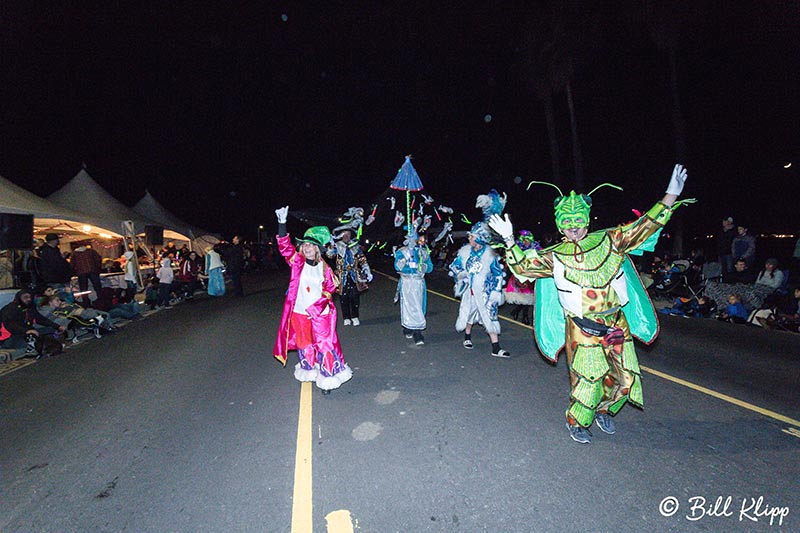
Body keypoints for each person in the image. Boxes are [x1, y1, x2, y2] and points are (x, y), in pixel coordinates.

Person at [489, 164, 692, 444]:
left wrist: (669, 195)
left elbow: (642, 227)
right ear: (560, 224)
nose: (574, 229)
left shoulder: (610, 240)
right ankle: (577, 420)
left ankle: (605, 410)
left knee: (626, 378)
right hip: (583, 329)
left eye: (579, 222)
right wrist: (510, 241)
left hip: (615, 323)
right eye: (568, 224)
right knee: (589, 381)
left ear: (587, 220)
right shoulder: (554, 255)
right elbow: (523, 268)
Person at [272, 206, 352, 394]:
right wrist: (282, 225)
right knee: (304, 344)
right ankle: (309, 370)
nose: (306, 248)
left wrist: (319, 306)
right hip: (299, 312)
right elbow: (285, 248)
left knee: (324, 345)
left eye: (310, 245)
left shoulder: (325, 269)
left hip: (320, 314)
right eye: (304, 245)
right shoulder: (297, 262)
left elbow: (330, 289)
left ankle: (328, 377)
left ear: (317, 249)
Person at [449, 192, 510, 357]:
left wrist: (495, 291)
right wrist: (462, 276)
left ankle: (496, 347)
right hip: (470, 290)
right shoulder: (465, 252)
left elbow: (498, 273)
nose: (469, 238)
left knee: (490, 316)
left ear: (480, 239)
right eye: (470, 236)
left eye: (472, 236)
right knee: (470, 312)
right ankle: (467, 336)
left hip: (486, 291)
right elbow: (454, 267)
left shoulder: (490, 254)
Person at [394, 229, 434, 345]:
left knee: (419, 306)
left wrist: (424, 267)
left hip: (418, 283)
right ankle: (408, 326)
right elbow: (397, 267)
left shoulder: (423, 251)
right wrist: (403, 264)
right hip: (407, 283)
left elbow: (430, 267)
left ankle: (418, 331)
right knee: (407, 306)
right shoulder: (402, 252)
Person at [0, 289, 66, 357]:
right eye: (25, 297)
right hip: (9, 338)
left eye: (29, 297)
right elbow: (11, 325)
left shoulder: (30, 307)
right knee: (32, 338)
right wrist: (26, 331)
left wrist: (57, 326)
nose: (28, 299)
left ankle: (51, 346)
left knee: (50, 330)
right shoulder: (9, 309)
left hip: (27, 333)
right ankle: (32, 349)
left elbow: (40, 319)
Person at [330, 229, 373, 326]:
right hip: (342, 275)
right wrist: (331, 244)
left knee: (355, 296)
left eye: (348, 234)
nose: (346, 236)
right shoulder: (337, 246)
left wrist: (367, 270)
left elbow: (362, 259)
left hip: (354, 274)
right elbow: (329, 255)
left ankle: (355, 316)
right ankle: (346, 317)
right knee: (343, 297)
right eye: (344, 234)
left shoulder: (355, 246)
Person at [504, 231, 538, 325]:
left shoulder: (534, 249)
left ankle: (521, 314)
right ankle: (523, 316)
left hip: (529, 276)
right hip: (519, 276)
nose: (527, 242)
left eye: (528, 241)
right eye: (525, 240)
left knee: (528, 299)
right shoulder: (517, 250)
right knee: (523, 298)